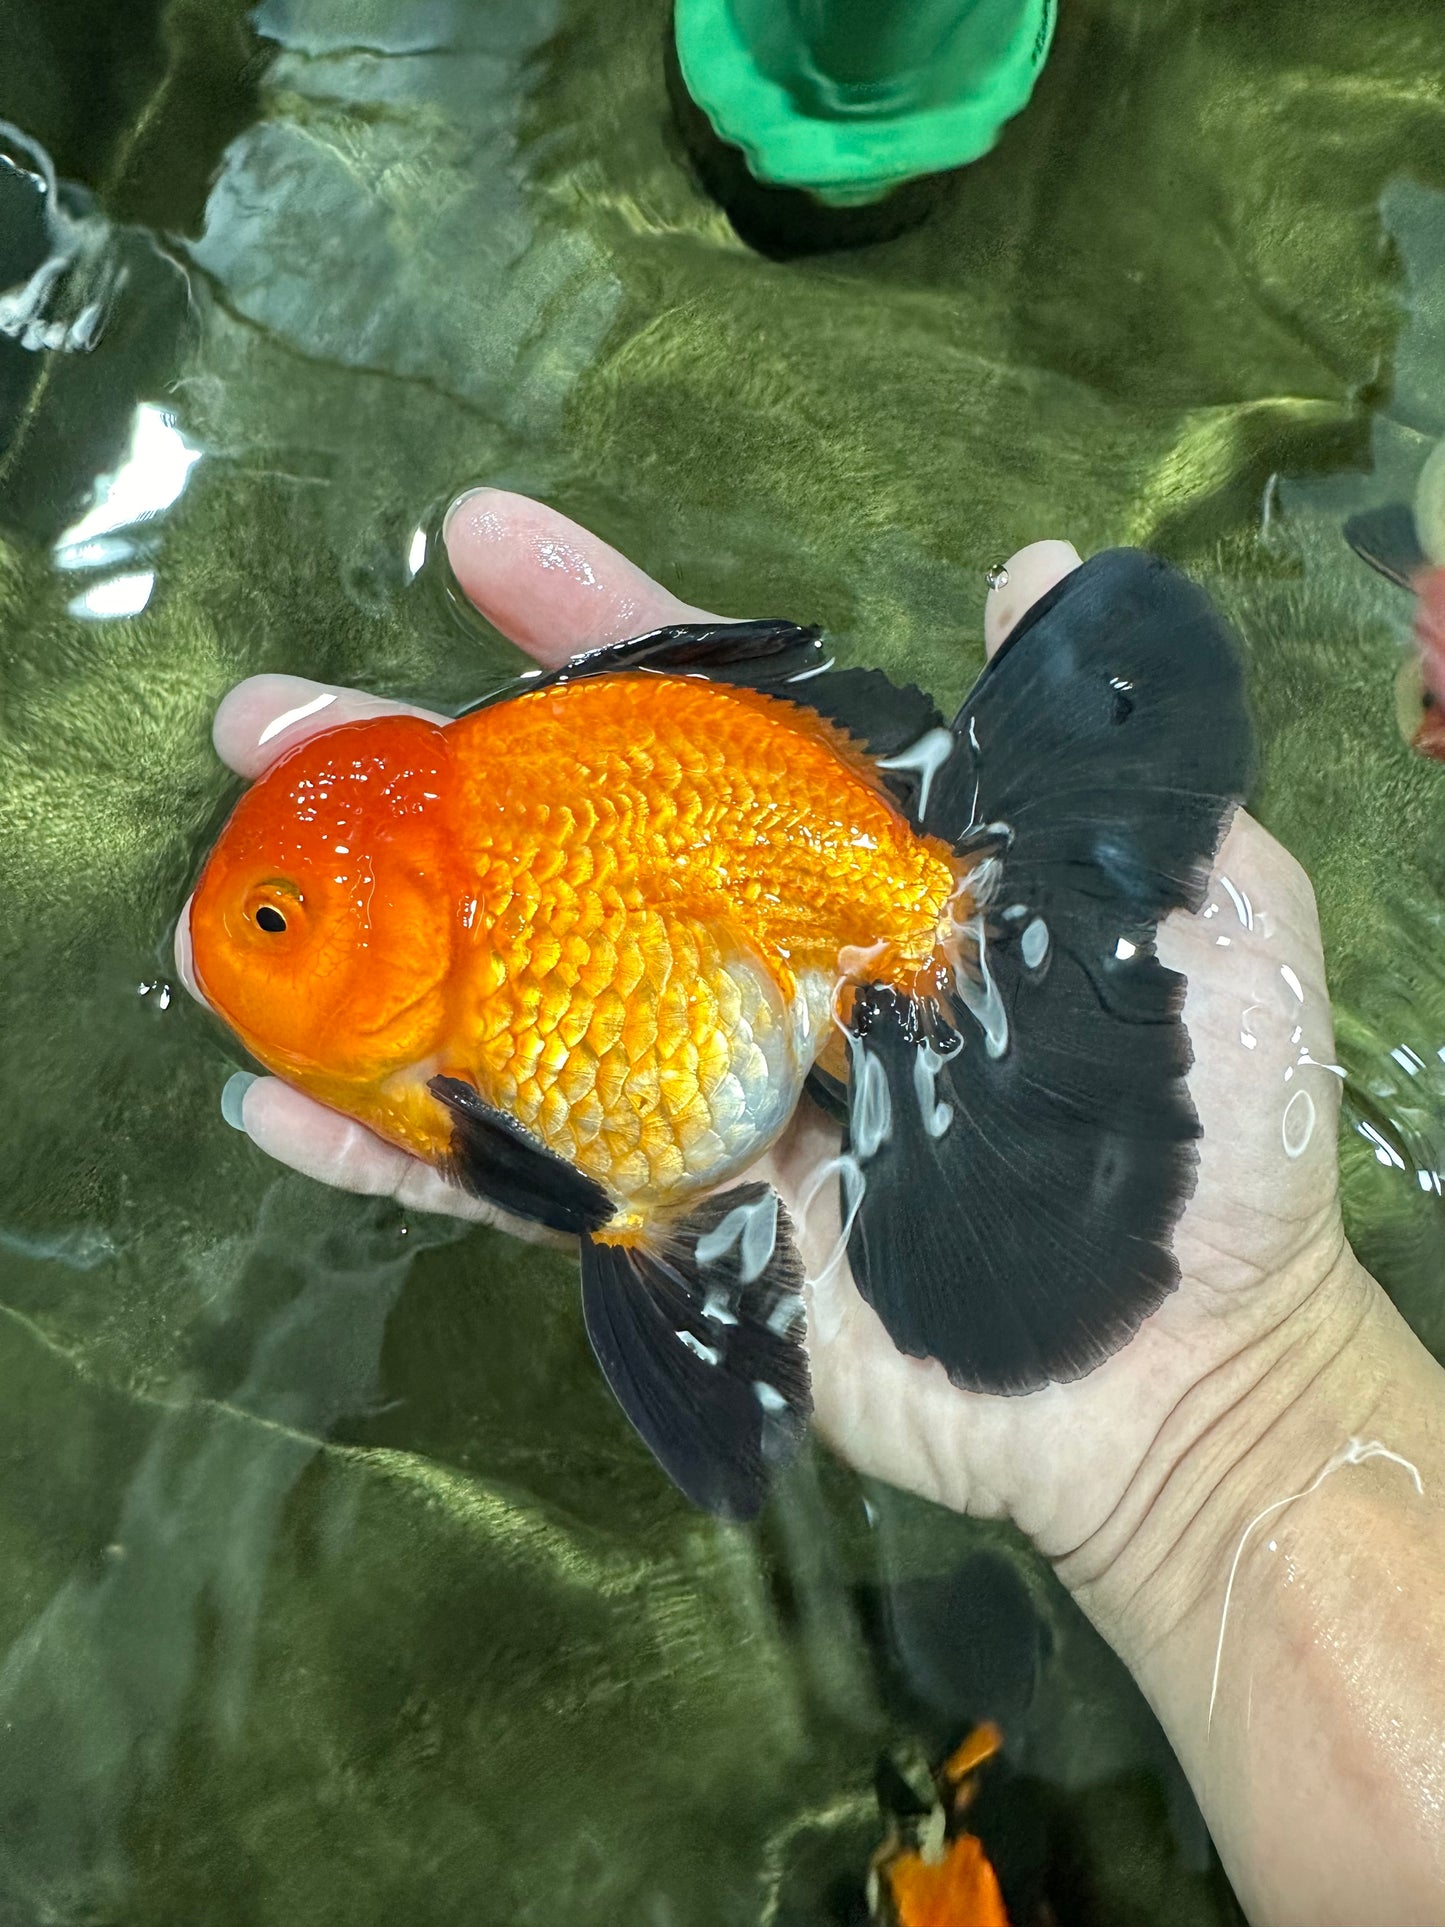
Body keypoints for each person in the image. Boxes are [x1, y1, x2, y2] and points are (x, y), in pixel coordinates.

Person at [178, 491, 1445, 1927]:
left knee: (650, 1194)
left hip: (808, 891)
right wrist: (1238, 1425)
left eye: (273, 918)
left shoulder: (465, 996)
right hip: (782, 874)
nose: (231, 946)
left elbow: (565, 1178)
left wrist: (1239, 1392)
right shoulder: (447, 970)